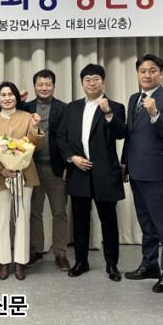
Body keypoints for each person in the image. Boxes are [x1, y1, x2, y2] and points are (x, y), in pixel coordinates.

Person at [57, 64, 126, 281]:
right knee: (80, 221)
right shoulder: (72, 108)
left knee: (109, 222)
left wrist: (108, 113)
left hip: (105, 174)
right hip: (79, 172)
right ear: (82, 83)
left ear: (103, 82)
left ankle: (112, 265)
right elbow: (61, 137)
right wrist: (72, 158)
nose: (92, 83)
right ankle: (81, 262)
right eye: (87, 79)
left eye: (96, 79)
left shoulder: (115, 106)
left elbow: (121, 133)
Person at [122, 53, 163, 293]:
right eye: (143, 71)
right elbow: (130, 135)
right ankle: (149, 265)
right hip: (136, 170)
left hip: (157, 172)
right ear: (137, 74)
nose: (147, 75)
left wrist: (155, 114)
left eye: (152, 70)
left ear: (161, 74)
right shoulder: (133, 98)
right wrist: (125, 164)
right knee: (146, 223)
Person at [0, 81, 44, 281]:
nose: (7, 98)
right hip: (0, 176)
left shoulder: (27, 117)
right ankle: (3, 261)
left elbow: (36, 145)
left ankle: (20, 262)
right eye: (3, 95)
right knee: (1, 220)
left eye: (10, 94)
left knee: (22, 219)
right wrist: (0, 169)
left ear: (16, 97)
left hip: (24, 176)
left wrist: (35, 128)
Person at [21, 69, 71, 271]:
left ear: (54, 86)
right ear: (34, 86)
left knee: (59, 212)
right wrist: (19, 102)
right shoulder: (26, 107)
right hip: (31, 167)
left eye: (48, 84)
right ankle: (36, 251)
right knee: (34, 212)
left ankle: (60, 253)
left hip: (55, 168)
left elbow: (68, 137)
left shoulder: (63, 108)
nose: (44, 88)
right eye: (40, 84)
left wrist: (68, 163)